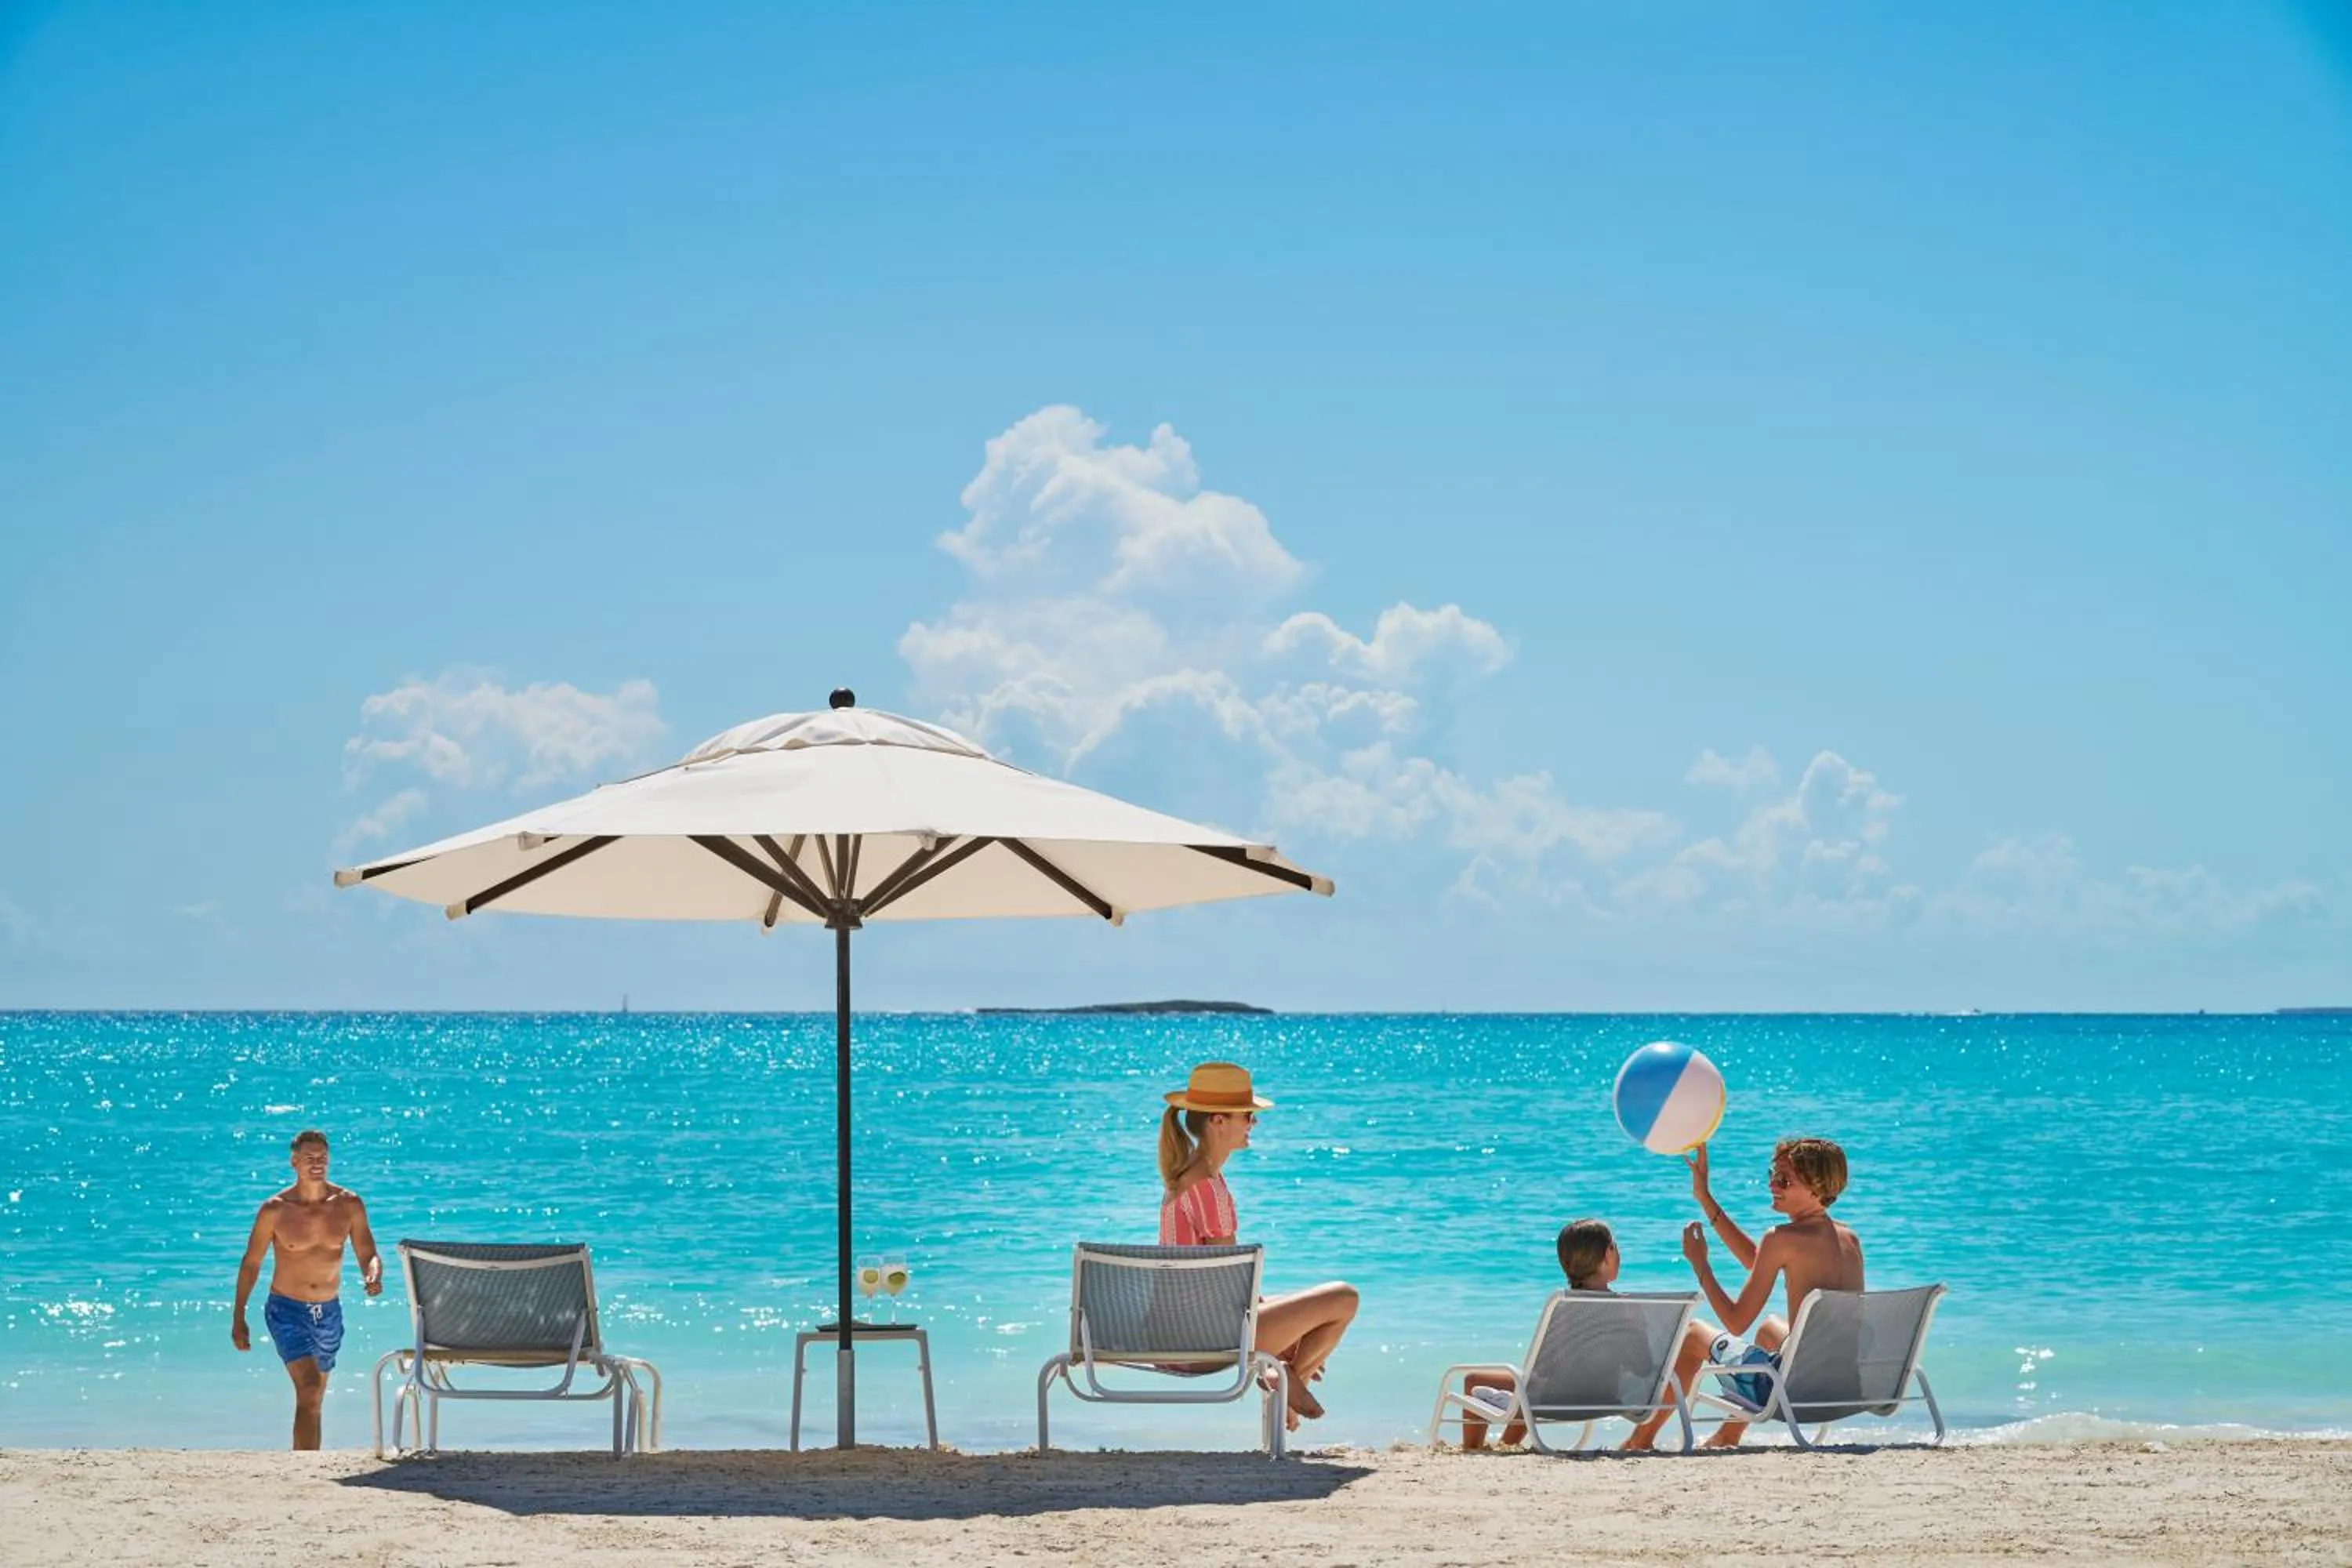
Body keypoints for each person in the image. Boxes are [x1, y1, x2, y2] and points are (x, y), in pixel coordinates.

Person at [1159, 1061, 1358, 1429]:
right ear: (1218, 1121)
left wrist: (1279, 1328)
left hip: (1178, 1333)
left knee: (1303, 1316)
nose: (1255, 1123)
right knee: (1344, 1298)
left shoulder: (1184, 1179)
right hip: (1204, 1339)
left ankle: (1284, 1379)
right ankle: (1282, 1381)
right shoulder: (1206, 1188)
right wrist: (1282, 1338)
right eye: (1247, 1115)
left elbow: (1225, 1284)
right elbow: (1233, 1287)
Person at [1664, 1135, 1865, 1447]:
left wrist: (1700, 1264)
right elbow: (1757, 1263)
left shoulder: (1782, 1239)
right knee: (1770, 1327)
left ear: (1817, 1188)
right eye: (1773, 1175)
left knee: (1692, 1335)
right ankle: (1727, 1436)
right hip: (1842, 1387)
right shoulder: (1848, 1238)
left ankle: (1641, 1438)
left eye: (1785, 1180)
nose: (1773, 1185)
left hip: (1793, 1392)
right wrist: (1705, 1197)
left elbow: (1735, 1322)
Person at [1457, 1218, 1715, 1450]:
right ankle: (1506, 1444)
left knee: (1476, 1380)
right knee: (1532, 1388)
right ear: (1607, 1256)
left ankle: (1473, 1450)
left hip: (1548, 1398)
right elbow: (1643, 1367)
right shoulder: (1628, 1310)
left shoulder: (1563, 1306)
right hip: (1605, 1398)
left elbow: (1547, 1371)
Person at [231, 1129, 383, 1450]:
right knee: (310, 1388)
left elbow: (367, 1252)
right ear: (294, 1162)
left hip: (329, 1312)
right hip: (286, 1309)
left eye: (323, 1159)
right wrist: (238, 1317)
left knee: (314, 1398)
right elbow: (251, 1263)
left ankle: (310, 1464)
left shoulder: (349, 1204)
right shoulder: (275, 1210)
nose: (317, 1164)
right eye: (310, 1158)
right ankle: (304, 1467)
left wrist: (372, 1274)